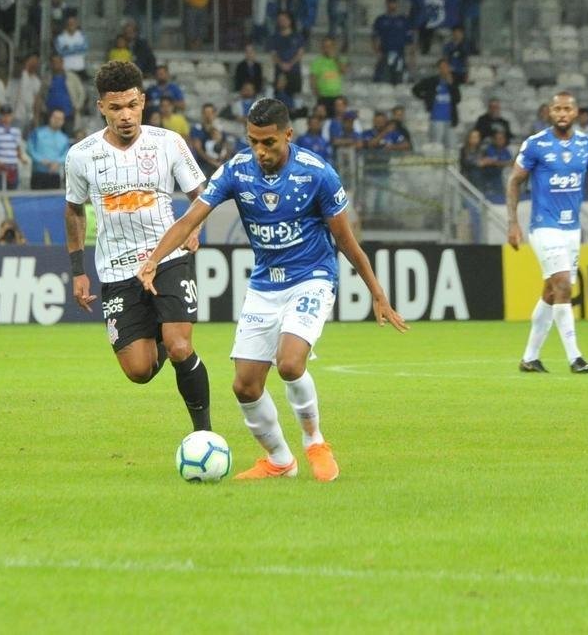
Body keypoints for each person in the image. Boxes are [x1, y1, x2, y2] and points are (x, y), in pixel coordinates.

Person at [137, 98, 408, 481]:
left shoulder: (317, 174)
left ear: (288, 135)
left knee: (290, 363)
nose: (260, 151)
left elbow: (347, 242)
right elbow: (189, 220)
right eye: (253, 142)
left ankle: (315, 442)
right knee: (245, 386)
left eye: (269, 143)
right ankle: (280, 460)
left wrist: (377, 294)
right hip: (265, 284)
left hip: (312, 277)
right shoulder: (237, 171)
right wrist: (154, 259)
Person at [64, 60, 213, 434]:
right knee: (139, 371)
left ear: (143, 101)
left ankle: (205, 434)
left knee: (180, 346)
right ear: (101, 107)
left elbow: (201, 196)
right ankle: (159, 336)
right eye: (116, 108)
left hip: (167, 258)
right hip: (116, 270)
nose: (125, 115)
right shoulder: (81, 155)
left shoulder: (168, 144)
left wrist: (194, 228)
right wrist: (78, 270)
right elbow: (74, 211)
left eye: (132, 105)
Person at [507, 93, 588, 374]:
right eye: (557, 108)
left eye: (567, 108)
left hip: (572, 229)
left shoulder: (586, 144)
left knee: (551, 290)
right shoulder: (536, 144)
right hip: (544, 226)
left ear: (576, 112)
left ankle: (530, 358)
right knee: (564, 286)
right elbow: (514, 181)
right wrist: (513, 222)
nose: (561, 113)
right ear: (549, 112)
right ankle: (575, 357)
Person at [412, 58, 461, 150]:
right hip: (436, 119)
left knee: (451, 147)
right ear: (438, 69)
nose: (444, 69)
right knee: (436, 147)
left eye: (446, 67)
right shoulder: (431, 81)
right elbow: (415, 90)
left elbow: (458, 99)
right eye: (442, 67)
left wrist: (451, 84)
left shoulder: (453, 83)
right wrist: (425, 97)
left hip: (450, 120)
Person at [29, 109, 70, 189]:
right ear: (50, 118)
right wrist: (41, 160)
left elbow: (67, 154)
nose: (57, 121)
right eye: (55, 118)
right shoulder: (37, 133)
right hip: (38, 173)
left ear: (63, 122)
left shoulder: (64, 138)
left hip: (54, 175)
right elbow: (29, 149)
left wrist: (57, 162)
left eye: (60, 119)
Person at [309, 37, 347, 116]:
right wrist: (317, 94)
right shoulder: (317, 61)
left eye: (329, 46)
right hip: (323, 96)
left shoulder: (339, 60)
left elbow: (344, 71)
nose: (327, 49)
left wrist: (335, 58)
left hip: (336, 96)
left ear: (334, 47)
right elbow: (313, 79)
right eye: (325, 46)